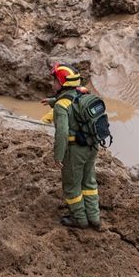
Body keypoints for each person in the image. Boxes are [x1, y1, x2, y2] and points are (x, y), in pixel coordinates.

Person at [43, 64, 102, 230]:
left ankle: (79, 219)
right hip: (92, 145)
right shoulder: (83, 93)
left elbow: (62, 133)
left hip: (75, 150)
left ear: (62, 83)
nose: (52, 84)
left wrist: (58, 156)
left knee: (71, 186)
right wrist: (52, 101)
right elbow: (72, 101)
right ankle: (94, 218)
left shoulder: (61, 106)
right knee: (88, 182)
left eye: (55, 81)